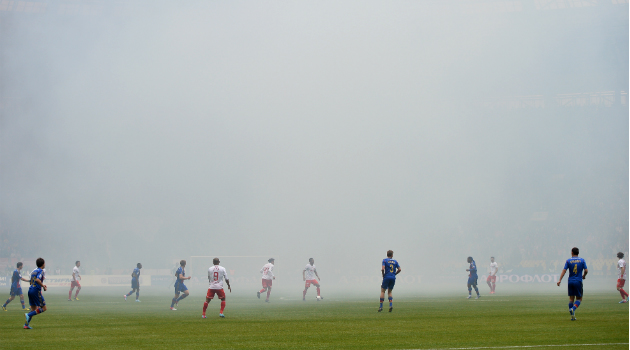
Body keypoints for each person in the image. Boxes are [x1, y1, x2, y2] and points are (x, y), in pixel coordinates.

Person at [557, 247, 588, 321]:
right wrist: (584, 276)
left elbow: (564, 270)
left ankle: (572, 317)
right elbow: (586, 270)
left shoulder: (568, 261)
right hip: (578, 281)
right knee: (579, 298)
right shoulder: (582, 260)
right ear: (578, 253)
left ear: (572, 252)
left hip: (570, 281)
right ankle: (573, 308)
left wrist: (560, 280)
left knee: (571, 299)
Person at [24, 258, 47, 329]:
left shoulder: (34, 271)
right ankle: (28, 314)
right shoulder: (41, 271)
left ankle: (26, 325)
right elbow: (37, 279)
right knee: (44, 308)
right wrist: (43, 286)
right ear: (43, 264)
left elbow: (31, 281)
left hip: (30, 289)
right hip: (36, 291)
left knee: (33, 309)